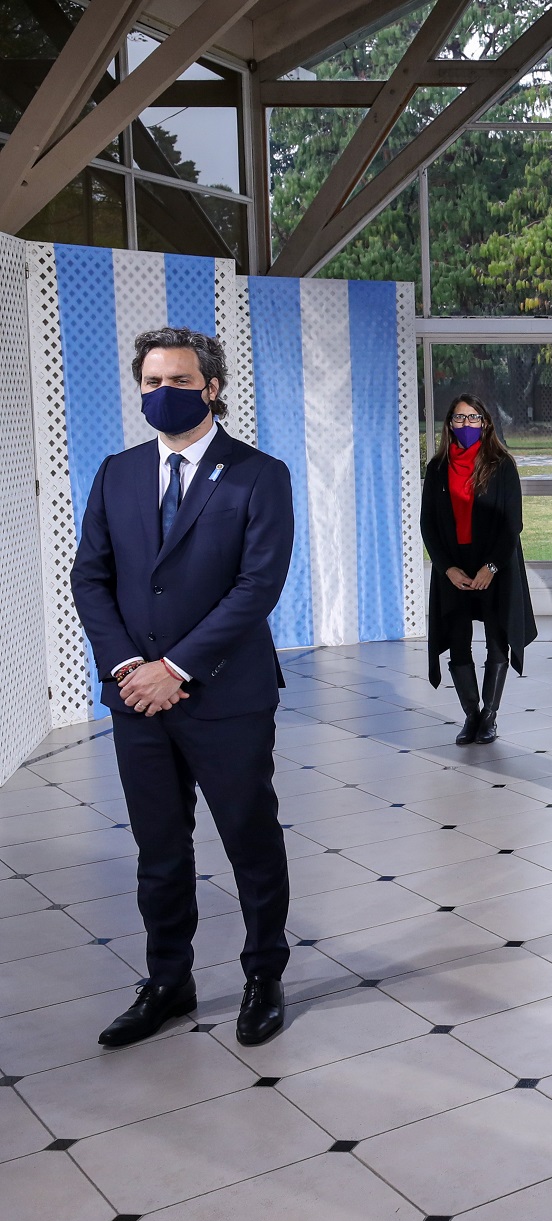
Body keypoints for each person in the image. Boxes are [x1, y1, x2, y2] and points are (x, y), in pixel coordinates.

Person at [70, 327, 296, 1048]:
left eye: (177, 379)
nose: (161, 392)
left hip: (226, 694)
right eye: (150, 381)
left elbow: (256, 586)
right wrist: (126, 670)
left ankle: (264, 972)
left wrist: (176, 668)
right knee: (159, 849)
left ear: (212, 386)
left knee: (248, 840)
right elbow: (91, 578)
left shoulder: (260, 475)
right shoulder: (118, 472)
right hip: (136, 698)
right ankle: (168, 979)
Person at [420, 395, 538, 744]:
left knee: (496, 639)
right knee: (457, 641)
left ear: (485, 423)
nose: (466, 426)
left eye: (473, 419)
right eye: (459, 419)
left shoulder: (501, 465)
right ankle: (471, 714)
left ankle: (490, 715)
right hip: (454, 568)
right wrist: (447, 569)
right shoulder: (436, 468)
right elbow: (428, 524)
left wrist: (492, 566)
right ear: (449, 425)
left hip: (494, 565)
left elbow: (512, 523)